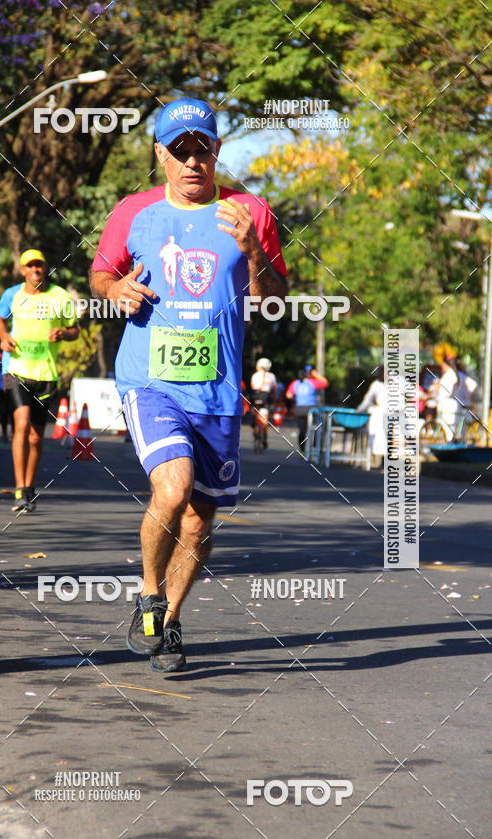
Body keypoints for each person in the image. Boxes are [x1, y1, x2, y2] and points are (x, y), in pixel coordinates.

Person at [91, 96, 287, 672]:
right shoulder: (135, 211)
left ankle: (168, 622)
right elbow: (102, 271)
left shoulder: (251, 211)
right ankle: (150, 593)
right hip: (149, 379)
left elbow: (272, 300)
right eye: (180, 151)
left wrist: (254, 253)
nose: (193, 161)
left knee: (200, 517)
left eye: (202, 148)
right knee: (172, 490)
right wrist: (114, 292)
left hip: (218, 387)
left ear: (218, 150)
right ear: (160, 155)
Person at [0, 250, 79, 513]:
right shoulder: (12, 295)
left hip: (46, 374)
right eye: (29, 266)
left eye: (39, 265)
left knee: (35, 437)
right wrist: (3, 337)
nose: (35, 270)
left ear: (45, 268)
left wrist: (63, 333)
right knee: (21, 425)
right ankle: (19, 488)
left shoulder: (59, 297)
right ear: (22, 270)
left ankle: (29, 487)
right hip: (16, 369)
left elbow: (75, 330)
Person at [286, 365, 329, 453]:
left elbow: (288, 395)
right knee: (317, 427)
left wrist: (297, 399)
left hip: (299, 409)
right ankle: (315, 448)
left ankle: (303, 450)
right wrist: (316, 374)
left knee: (302, 430)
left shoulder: (295, 383)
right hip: (311, 409)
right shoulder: (313, 382)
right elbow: (325, 382)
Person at [356, 365, 385, 464]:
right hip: (379, 415)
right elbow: (368, 400)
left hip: (389, 415)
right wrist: (360, 409)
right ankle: (375, 460)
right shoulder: (376, 385)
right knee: (376, 437)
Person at [250, 357, 276, 449]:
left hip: (255, 397)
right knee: (265, 419)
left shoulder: (254, 375)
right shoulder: (272, 376)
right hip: (265, 398)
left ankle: (254, 425)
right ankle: (264, 436)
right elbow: (273, 390)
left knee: (254, 413)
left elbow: (252, 387)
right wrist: (274, 402)